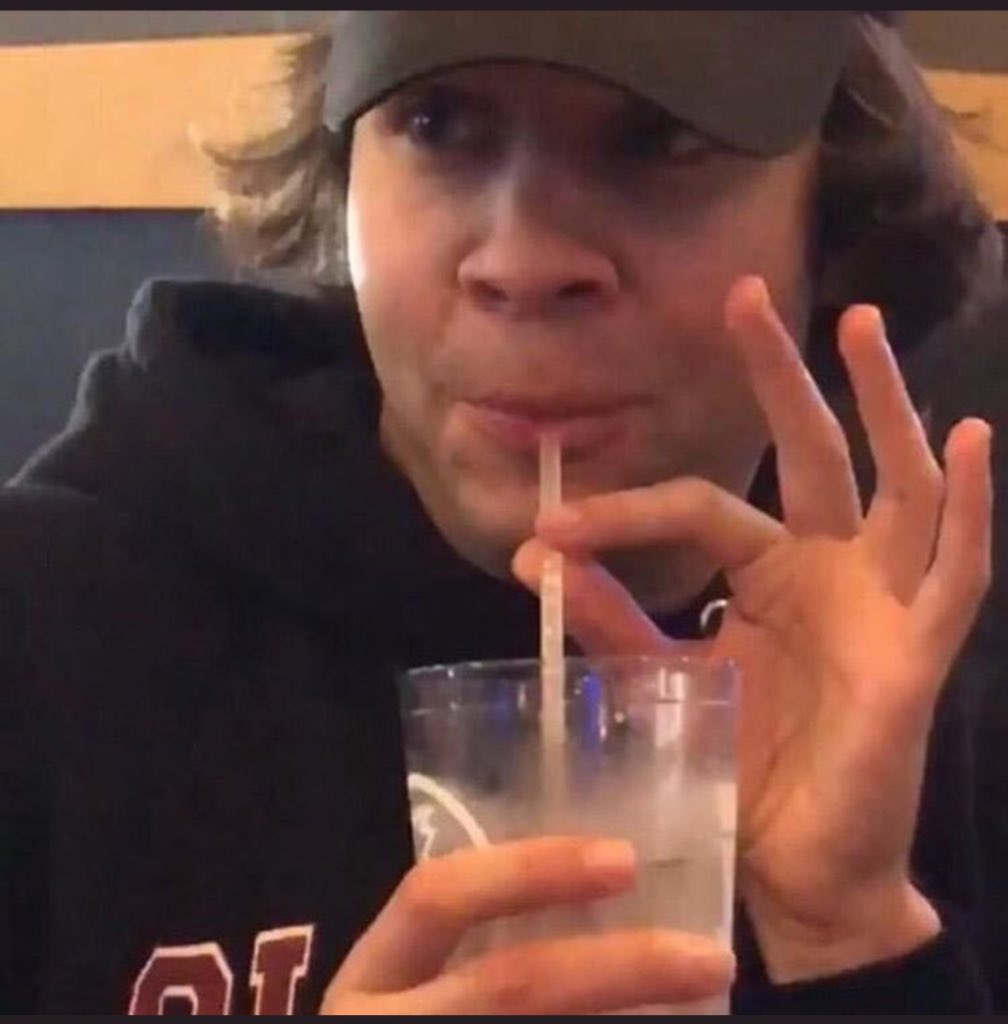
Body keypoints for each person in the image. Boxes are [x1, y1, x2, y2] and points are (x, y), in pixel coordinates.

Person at [1, 10, 1004, 1014]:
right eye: (438, 124)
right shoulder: (46, 630)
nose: (521, 263)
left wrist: (852, 936)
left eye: (661, 140)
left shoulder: (907, 663)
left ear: (830, 209)